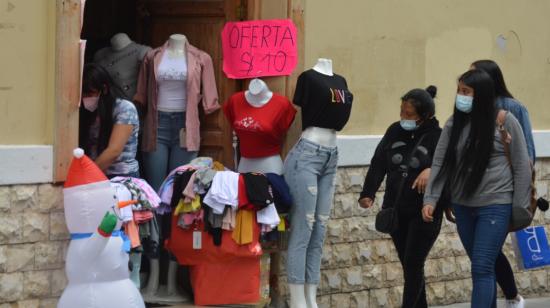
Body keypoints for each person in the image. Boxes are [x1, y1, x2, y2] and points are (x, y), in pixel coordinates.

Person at [422, 69, 532, 308]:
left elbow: (523, 165)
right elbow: (440, 162)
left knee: (482, 266)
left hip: (495, 205)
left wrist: (520, 207)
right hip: (463, 205)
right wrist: (431, 198)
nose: (460, 96)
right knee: (483, 266)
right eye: (459, 91)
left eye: (466, 92)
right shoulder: (454, 124)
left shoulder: (505, 121)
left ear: (481, 95)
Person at [359, 86, 442, 308]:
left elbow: (450, 167)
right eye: (401, 112)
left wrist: (432, 170)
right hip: (395, 209)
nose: (403, 118)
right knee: (410, 265)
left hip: (425, 210)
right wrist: (368, 193)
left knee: (414, 263)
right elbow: (379, 162)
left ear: (425, 116)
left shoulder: (438, 137)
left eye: (409, 115)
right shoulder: (394, 130)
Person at [469, 59, 535, 308]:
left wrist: (521, 192)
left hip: (502, 192)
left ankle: (511, 296)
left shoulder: (512, 108)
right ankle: (509, 296)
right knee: (486, 250)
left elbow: (526, 151)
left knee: (485, 251)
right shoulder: (472, 108)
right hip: (476, 191)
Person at [79, 63, 140, 178]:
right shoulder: (86, 111)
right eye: (83, 94)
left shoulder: (124, 108)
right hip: (94, 174)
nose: (85, 98)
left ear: (104, 89)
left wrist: (85, 176)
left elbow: (114, 151)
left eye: (90, 93)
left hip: (121, 176)